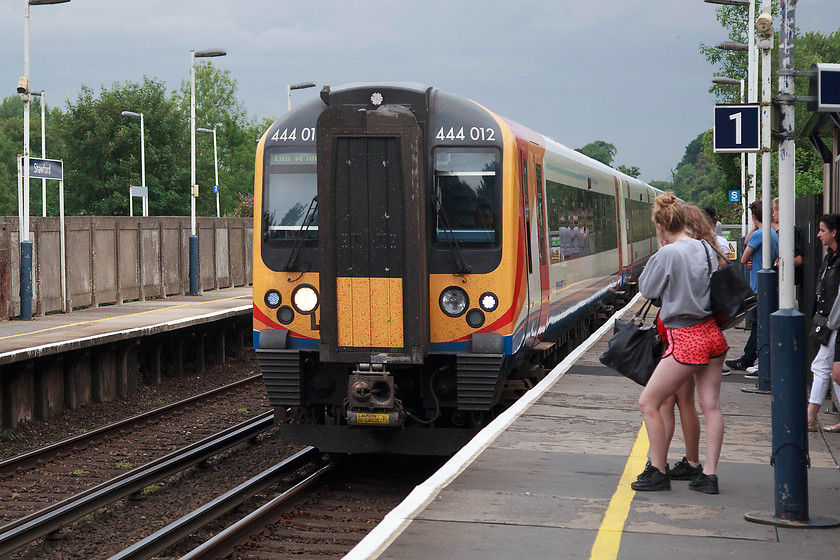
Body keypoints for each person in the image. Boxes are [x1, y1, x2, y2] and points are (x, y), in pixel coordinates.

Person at [631, 192, 729, 494]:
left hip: (685, 337)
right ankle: (708, 475)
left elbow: (647, 289)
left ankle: (658, 470)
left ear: (661, 225)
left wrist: (660, 252)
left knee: (649, 402)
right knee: (711, 405)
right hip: (712, 333)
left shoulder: (668, 253)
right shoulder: (706, 247)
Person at [725, 200, 779, 373]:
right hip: (769, 284)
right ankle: (749, 358)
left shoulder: (759, 234)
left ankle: (748, 359)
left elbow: (743, 257)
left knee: (758, 325)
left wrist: (749, 257)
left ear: (754, 216)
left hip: (757, 286)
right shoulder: (772, 232)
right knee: (759, 324)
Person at [808, 214, 840, 432]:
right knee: (833, 372)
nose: (818, 234)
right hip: (831, 320)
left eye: (822, 230)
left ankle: (809, 418)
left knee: (823, 367)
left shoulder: (834, 260)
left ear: (834, 232)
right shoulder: (831, 257)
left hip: (835, 322)